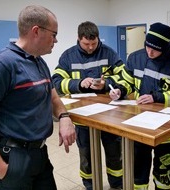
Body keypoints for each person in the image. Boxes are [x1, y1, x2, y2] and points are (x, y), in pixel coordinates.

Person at [0, 5, 76, 190]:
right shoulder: (2, 64)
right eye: (54, 34)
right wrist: (0, 169)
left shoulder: (39, 61)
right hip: (12, 158)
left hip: (40, 155)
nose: (56, 40)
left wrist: (63, 117)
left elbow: (53, 97)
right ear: (36, 31)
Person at [109, 22, 170, 190]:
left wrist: (157, 97)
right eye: (147, 46)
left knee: (163, 170)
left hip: (167, 130)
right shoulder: (135, 58)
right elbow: (127, 81)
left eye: (155, 49)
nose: (150, 52)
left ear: (166, 47)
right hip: (140, 125)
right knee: (139, 168)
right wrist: (119, 90)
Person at [52, 21, 124, 190]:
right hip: (82, 118)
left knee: (114, 153)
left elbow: (124, 77)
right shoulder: (68, 56)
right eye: (86, 44)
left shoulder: (109, 53)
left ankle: (117, 184)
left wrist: (106, 85)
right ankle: (90, 185)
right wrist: (79, 83)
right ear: (78, 39)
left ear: (98, 38)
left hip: (109, 117)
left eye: (94, 43)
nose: (91, 47)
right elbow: (56, 82)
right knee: (87, 156)